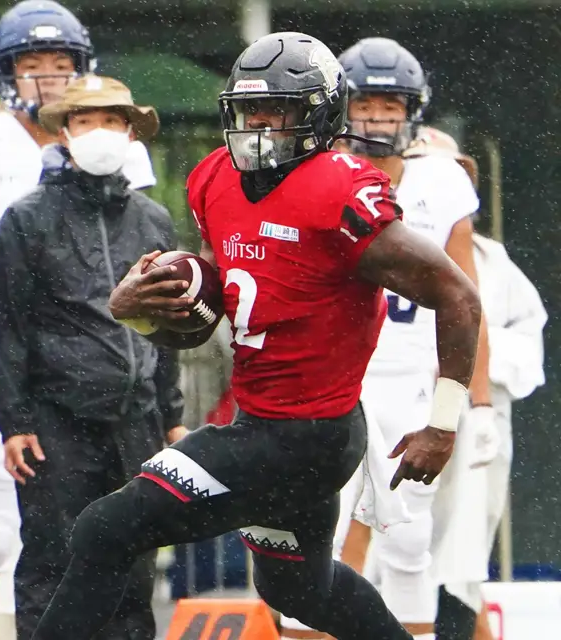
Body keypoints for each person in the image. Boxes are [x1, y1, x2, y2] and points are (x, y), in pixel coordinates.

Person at [27, 31, 485, 640]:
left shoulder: (340, 192)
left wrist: (444, 422)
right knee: (299, 589)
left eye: (279, 111)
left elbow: (458, 295)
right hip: (267, 421)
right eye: (249, 110)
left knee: (104, 528)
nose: (260, 126)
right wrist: (140, 311)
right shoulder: (216, 176)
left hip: (306, 436)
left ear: (318, 116)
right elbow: (208, 321)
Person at [0, 3, 159, 638]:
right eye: (33, 66)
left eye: (63, 65)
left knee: (111, 537)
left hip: (102, 373)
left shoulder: (120, 160)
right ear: (6, 73)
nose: (50, 79)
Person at [280, 38, 495, 640]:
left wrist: (473, 406)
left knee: (408, 537)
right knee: (309, 540)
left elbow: (466, 302)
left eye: (391, 106)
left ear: (412, 112)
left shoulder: (442, 184)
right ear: (340, 107)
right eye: (366, 104)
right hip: (329, 376)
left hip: (406, 380)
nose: (377, 119)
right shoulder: (313, 176)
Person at [0, 74, 183, 640]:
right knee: (54, 560)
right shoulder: (26, 219)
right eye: (85, 121)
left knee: (134, 562)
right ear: (66, 133)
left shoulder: (154, 220)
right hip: (56, 421)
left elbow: (168, 324)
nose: (99, 132)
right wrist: (15, 422)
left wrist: (172, 416)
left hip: (137, 420)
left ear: (130, 131)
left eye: (111, 121)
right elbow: (8, 326)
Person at [404, 126, 547, 640]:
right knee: (392, 548)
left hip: (468, 431)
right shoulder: (386, 252)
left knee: (459, 563)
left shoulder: (492, 262)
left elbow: (526, 342)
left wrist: (471, 378)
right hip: (399, 423)